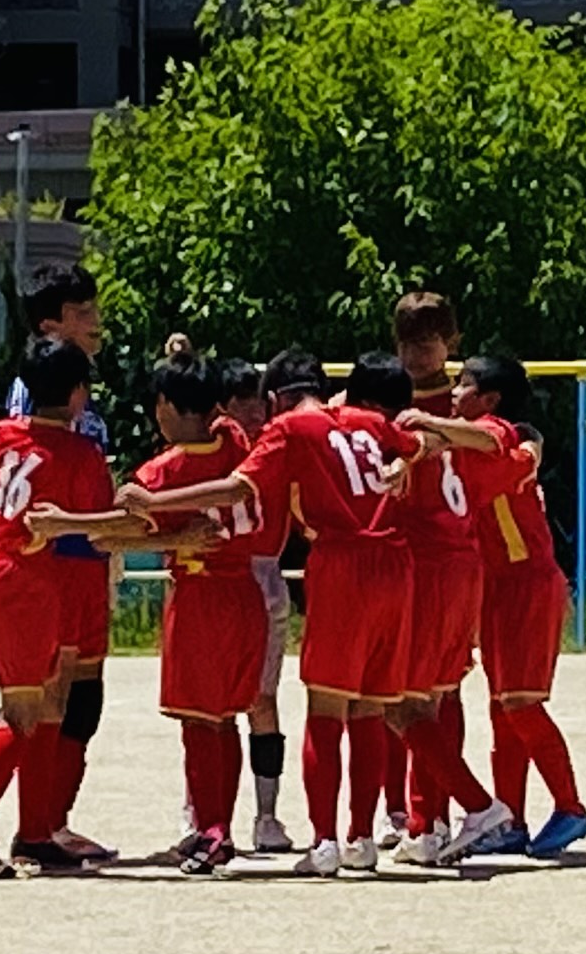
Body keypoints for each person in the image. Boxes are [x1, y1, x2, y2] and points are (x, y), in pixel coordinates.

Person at [120, 349, 503, 875]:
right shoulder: (368, 422)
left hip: (343, 561)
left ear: (277, 399)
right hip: (398, 563)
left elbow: (237, 487)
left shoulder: (288, 430)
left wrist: (155, 502)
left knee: (326, 708)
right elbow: (425, 443)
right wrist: (401, 464)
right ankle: (362, 837)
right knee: (371, 707)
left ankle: (324, 841)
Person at [40, 341, 275, 876]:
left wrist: (70, 524)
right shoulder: (235, 442)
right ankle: (218, 826)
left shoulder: (161, 474)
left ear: (166, 404)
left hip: (200, 598)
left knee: (198, 721)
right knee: (225, 719)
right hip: (246, 595)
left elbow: (112, 535)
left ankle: (212, 831)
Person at [0, 262, 118, 862]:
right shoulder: (72, 444)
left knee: (48, 705)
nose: (95, 321)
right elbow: (102, 521)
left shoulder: (5, 433)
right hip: (41, 573)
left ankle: (37, 828)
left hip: (15, 568)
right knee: (30, 709)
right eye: (82, 312)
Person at [402, 354, 586, 859]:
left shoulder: (498, 435)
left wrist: (425, 420)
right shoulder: (486, 442)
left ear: (490, 399)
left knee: (520, 704)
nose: (454, 391)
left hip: (526, 583)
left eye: (463, 384)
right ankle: (510, 816)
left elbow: (489, 438)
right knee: (502, 708)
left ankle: (570, 806)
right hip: (497, 586)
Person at [343, 350, 506, 869]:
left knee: (399, 705)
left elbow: (409, 449)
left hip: (429, 572)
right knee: (435, 700)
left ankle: (478, 806)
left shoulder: (406, 428)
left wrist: (401, 457)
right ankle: (427, 825)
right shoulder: (453, 427)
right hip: (464, 567)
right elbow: (484, 442)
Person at [387, 291, 479, 860]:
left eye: (427, 342)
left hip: (433, 561)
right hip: (437, 562)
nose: (415, 354)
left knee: (413, 698)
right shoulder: (458, 402)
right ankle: (429, 819)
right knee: (438, 693)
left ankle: (432, 818)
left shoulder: (453, 405)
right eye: (407, 343)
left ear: (451, 342)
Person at [217, 355, 293, 853]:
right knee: (210, 706)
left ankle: (266, 815)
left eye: (258, 402)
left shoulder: (277, 446)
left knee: (262, 700)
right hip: (218, 576)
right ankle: (205, 813)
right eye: (240, 402)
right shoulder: (211, 447)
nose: (252, 412)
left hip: (263, 573)